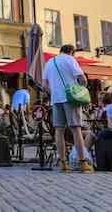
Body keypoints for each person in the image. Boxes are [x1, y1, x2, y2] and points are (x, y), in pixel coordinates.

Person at [41, 44, 94, 173]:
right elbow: (82, 79)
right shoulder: (70, 59)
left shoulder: (49, 62)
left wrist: (53, 92)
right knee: (76, 129)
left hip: (56, 99)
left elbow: (44, 85)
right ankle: (82, 162)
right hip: (70, 98)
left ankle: (63, 163)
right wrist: (81, 88)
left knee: (59, 131)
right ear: (71, 52)